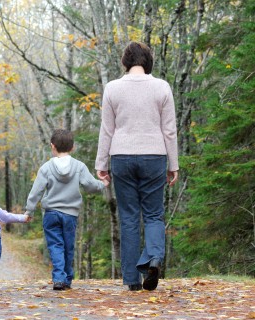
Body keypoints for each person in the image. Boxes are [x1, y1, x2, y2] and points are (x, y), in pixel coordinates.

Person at [95, 41, 179, 291]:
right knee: (153, 214)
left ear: (126, 62)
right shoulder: (162, 87)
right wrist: (173, 164)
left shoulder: (112, 88)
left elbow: (107, 129)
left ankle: (132, 279)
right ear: (147, 61)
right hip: (154, 155)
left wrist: (101, 163)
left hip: (122, 156)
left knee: (129, 217)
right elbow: (170, 130)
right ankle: (153, 258)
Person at [24, 129, 107, 290]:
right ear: (72, 147)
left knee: (55, 246)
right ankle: (66, 279)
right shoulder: (79, 166)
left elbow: (36, 191)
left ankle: (59, 278)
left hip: (51, 214)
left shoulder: (46, 168)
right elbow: (90, 186)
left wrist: (29, 210)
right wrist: (102, 184)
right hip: (70, 215)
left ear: (52, 146)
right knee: (68, 246)